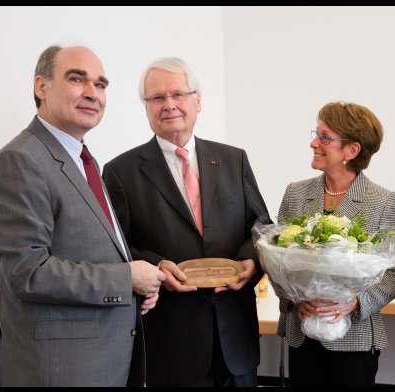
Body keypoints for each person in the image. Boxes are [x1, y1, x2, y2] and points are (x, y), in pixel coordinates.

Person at [0, 45, 166, 387]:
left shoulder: (82, 161)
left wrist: (137, 286)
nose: (93, 93)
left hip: (102, 364)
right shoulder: (20, 161)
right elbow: (27, 272)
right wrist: (126, 278)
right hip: (58, 371)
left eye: (101, 84)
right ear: (41, 87)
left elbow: (93, 253)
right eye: (77, 79)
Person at [102, 57, 270, 387]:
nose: (169, 105)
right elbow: (114, 248)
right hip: (171, 344)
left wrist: (251, 260)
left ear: (197, 100)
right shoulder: (120, 172)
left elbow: (260, 224)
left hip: (236, 340)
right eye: (157, 98)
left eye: (178, 94)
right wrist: (158, 265)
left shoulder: (233, 160)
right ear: (146, 107)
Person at [275, 102, 395, 387]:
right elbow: (277, 264)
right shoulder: (295, 193)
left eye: (324, 137)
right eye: (316, 134)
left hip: (355, 341)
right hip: (302, 335)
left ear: (352, 150)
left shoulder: (382, 201)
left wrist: (355, 303)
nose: (314, 143)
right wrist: (297, 298)